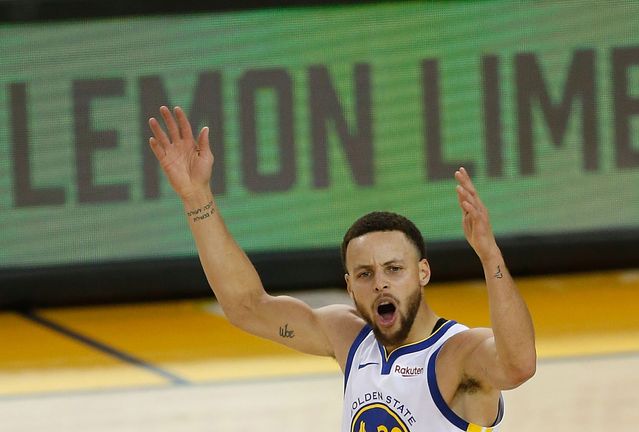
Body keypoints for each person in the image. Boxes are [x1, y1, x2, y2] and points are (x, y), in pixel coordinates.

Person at [148, 106, 536, 432]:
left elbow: (518, 365)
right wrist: (197, 198)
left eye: (394, 269)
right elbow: (246, 306)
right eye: (365, 274)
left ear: (423, 273)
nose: (380, 283)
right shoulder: (348, 338)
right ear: (349, 286)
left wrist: (490, 257)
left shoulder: (458, 353)